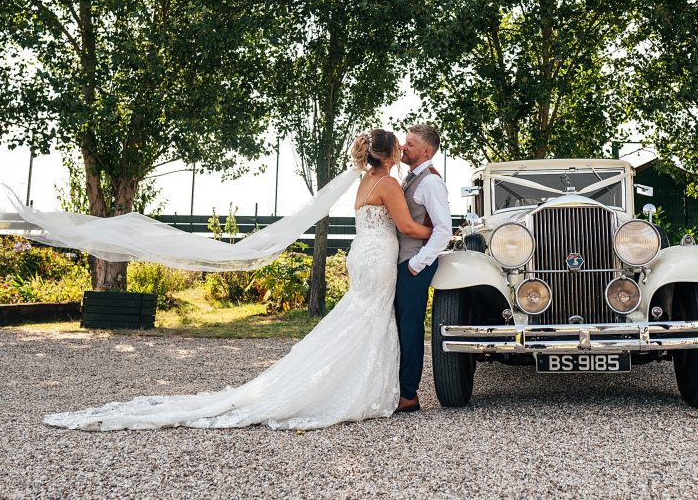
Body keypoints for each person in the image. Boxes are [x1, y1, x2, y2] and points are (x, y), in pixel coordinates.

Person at [41, 129, 432, 431]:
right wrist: (438, 231)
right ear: (389, 154)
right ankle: (364, 390)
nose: (403, 151)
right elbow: (407, 226)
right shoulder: (390, 184)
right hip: (378, 257)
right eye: (400, 146)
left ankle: (371, 386)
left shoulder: (364, 183)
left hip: (362, 255)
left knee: (361, 316)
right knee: (371, 318)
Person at [393, 124, 452, 414]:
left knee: (411, 328)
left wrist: (416, 265)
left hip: (414, 264)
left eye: (410, 144)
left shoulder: (430, 182)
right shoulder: (410, 178)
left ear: (426, 151)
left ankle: (409, 395)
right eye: (404, 143)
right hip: (404, 261)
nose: (404, 148)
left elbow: (444, 230)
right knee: (401, 326)